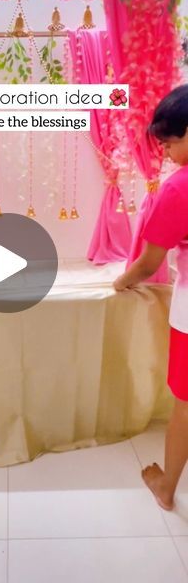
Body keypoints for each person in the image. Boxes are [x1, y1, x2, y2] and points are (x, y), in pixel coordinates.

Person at [114, 84, 188, 511]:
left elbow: (147, 264)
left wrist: (123, 282)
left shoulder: (178, 190)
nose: (168, 154)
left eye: (172, 143)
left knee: (184, 405)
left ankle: (166, 488)